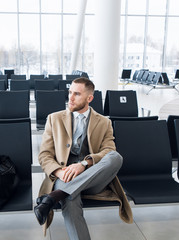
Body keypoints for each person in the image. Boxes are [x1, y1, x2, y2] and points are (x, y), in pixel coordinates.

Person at [34, 77, 133, 239]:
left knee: (115, 157)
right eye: (70, 92)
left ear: (89, 98)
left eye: (77, 94)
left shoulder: (104, 122)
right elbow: (44, 155)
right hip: (64, 176)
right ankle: (61, 193)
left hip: (93, 178)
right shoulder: (54, 119)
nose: (70, 98)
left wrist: (84, 164)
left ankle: (54, 196)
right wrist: (59, 172)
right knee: (70, 199)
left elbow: (108, 150)